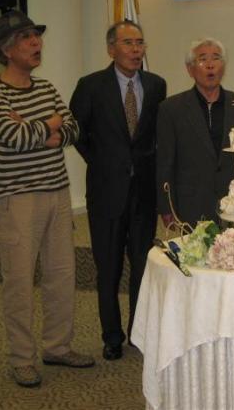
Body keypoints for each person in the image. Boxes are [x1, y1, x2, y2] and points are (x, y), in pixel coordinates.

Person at [0, 10, 94, 388]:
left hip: (56, 194)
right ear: (6, 49)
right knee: (18, 283)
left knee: (62, 276)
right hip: (17, 200)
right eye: (26, 38)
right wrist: (49, 125)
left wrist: (41, 129)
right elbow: (15, 138)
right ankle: (22, 359)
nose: (36, 43)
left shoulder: (45, 88)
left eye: (36, 36)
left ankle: (58, 347)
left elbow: (73, 129)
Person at [70, 21, 166, 361]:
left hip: (143, 192)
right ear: (111, 48)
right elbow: (77, 131)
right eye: (128, 43)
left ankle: (138, 331)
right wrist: (102, 162)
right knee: (108, 268)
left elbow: (155, 134)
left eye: (140, 42)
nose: (136, 49)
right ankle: (111, 336)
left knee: (142, 266)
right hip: (106, 192)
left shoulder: (156, 85)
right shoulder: (90, 85)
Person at [156, 38, 234, 227]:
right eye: (203, 59)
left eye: (216, 58)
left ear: (223, 66)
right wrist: (166, 206)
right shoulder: (171, 108)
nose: (210, 65)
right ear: (190, 69)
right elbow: (165, 162)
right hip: (191, 204)